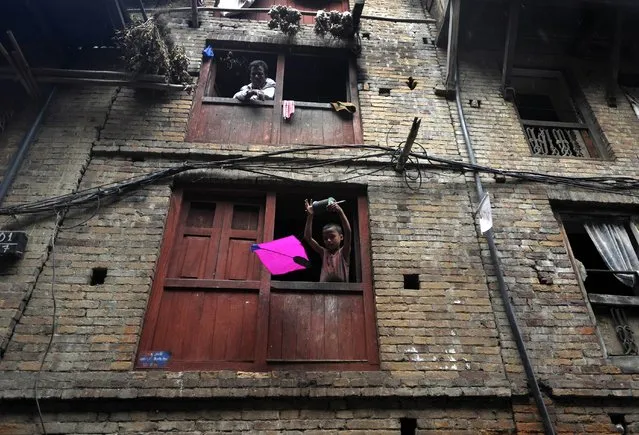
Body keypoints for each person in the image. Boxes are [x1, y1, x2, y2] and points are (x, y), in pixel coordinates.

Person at [304, 199, 351, 282]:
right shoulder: (324, 253)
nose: (328, 240)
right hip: (323, 292)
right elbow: (308, 238)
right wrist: (310, 216)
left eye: (332, 237)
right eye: (325, 238)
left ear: (341, 237)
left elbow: (348, 231)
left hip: (342, 292)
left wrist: (340, 211)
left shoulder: (344, 252)